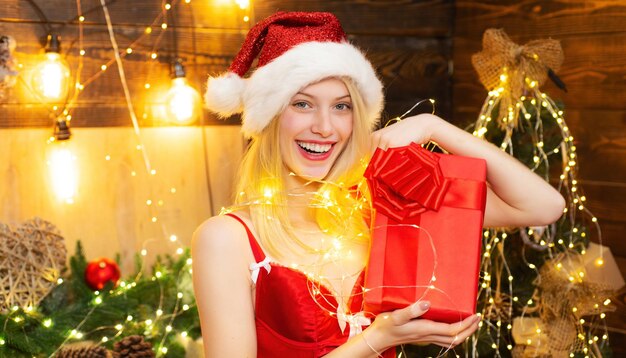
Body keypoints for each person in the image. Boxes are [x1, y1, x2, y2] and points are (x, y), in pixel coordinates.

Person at [192, 11, 565, 358]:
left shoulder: (380, 200)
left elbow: (542, 206)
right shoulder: (226, 238)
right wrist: (379, 338)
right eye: (302, 104)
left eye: (342, 107)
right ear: (269, 117)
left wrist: (434, 127)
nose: (325, 127)